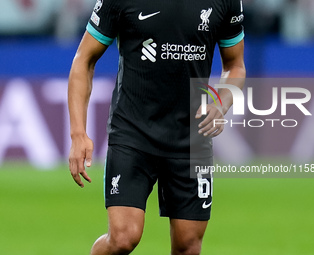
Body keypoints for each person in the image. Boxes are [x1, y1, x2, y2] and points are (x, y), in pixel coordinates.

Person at [68, 0, 246, 254]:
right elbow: (84, 59)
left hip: (191, 139)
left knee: (188, 245)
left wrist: (221, 102)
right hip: (133, 133)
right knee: (122, 238)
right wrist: (78, 133)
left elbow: (235, 65)